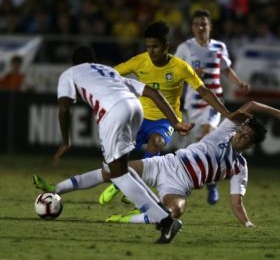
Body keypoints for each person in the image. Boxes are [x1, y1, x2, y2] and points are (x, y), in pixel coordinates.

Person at [33, 101, 280, 229]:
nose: (240, 134)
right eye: (241, 130)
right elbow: (250, 105)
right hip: (166, 164)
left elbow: (236, 203)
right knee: (110, 171)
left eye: (246, 137)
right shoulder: (224, 131)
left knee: (175, 212)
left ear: (250, 144)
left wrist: (249, 226)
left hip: (179, 185)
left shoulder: (239, 167)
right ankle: (56, 189)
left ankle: (127, 219)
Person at [34, 45, 195, 244]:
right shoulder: (108, 71)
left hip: (113, 111)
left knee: (117, 175)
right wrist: (175, 122)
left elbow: (64, 108)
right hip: (136, 108)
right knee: (120, 171)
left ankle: (164, 220)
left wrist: (65, 141)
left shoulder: (70, 73)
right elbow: (152, 92)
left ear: (74, 63)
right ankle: (161, 213)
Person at [97, 20, 250, 205]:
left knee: (157, 142)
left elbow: (205, 92)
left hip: (166, 120)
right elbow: (110, 74)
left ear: (166, 46)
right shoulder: (139, 61)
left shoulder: (180, 67)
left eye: (155, 46)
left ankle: (135, 185)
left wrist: (227, 114)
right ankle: (120, 181)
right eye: (148, 46)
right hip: (139, 117)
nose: (151, 51)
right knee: (120, 151)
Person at [175, 9, 251, 205]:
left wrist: (239, 82)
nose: (200, 27)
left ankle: (211, 184)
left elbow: (226, 69)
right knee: (191, 146)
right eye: (196, 24)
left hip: (214, 101)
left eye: (204, 23)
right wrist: (191, 73)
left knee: (207, 134)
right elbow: (174, 72)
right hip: (193, 102)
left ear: (210, 26)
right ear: (192, 27)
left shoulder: (219, 47)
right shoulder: (185, 47)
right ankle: (197, 181)